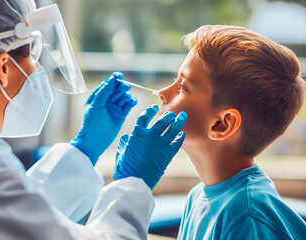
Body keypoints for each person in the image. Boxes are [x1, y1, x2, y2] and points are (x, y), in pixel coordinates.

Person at [0, 0, 187, 239]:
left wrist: (82, 149)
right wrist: (133, 183)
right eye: (33, 53)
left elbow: (14, 216)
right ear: (3, 68)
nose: (37, 66)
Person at [114, 25, 306, 239]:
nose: (162, 93)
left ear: (222, 125)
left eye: (183, 87)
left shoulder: (246, 215)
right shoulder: (198, 196)